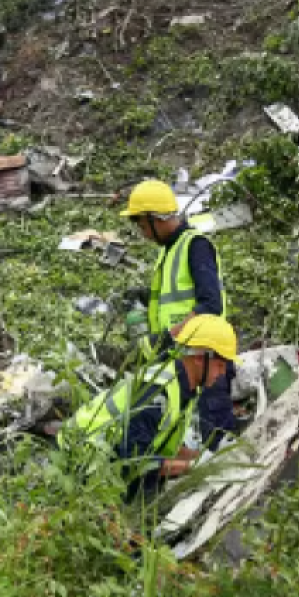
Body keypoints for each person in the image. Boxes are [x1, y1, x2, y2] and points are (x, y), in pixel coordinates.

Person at [64, 315, 238, 502]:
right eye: (220, 365)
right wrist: (191, 466)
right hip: (82, 459)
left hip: (106, 455)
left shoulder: (184, 387)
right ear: (199, 359)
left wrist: (203, 457)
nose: (221, 373)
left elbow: (157, 441)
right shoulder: (158, 392)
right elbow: (134, 460)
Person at [119, 179, 234, 447]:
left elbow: (210, 305)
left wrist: (170, 338)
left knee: (214, 434)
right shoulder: (169, 252)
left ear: (155, 219)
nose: (142, 231)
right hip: (187, 356)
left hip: (205, 355)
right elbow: (175, 298)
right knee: (190, 430)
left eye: (142, 224)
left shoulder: (195, 245)